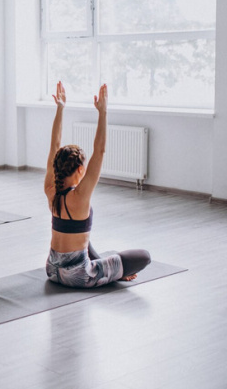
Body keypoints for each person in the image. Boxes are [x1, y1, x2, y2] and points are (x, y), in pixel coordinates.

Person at [43, 81, 151, 288]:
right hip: (80, 276)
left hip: (52, 270)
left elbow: (54, 146)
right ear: (80, 170)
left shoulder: (51, 192)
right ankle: (109, 271)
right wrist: (103, 112)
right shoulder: (80, 196)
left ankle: (103, 264)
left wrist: (60, 108)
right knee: (144, 256)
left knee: (82, 234)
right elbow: (99, 151)